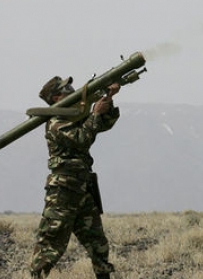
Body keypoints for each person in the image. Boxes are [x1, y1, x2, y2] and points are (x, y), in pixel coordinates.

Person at [30, 76, 121, 279]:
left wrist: (109, 98)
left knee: (97, 242)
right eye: (66, 88)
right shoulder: (55, 123)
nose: (72, 90)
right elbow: (82, 138)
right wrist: (95, 113)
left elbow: (105, 123)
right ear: (55, 97)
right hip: (63, 190)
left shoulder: (73, 117)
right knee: (51, 244)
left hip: (82, 188)